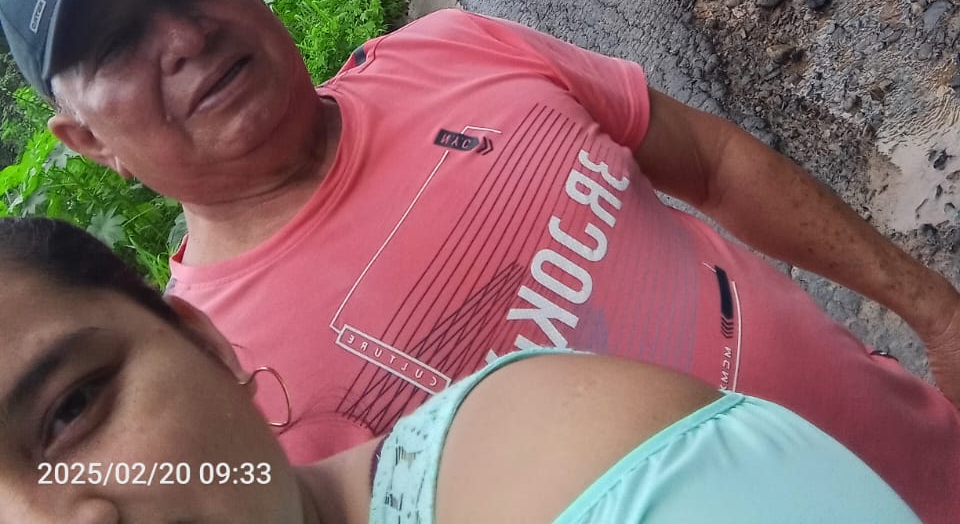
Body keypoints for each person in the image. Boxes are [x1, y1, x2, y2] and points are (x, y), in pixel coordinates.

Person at [0, 0, 958, 523]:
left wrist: (932, 309)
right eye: (117, 44)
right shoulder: (215, 386)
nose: (182, 36)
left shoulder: (453, 51)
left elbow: (710, 161)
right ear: (87, 141)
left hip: (923, 453)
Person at [0, 216, 921, 524]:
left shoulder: (572, 461)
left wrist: (928, 305)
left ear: (204, 343)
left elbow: (705, 156)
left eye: (72, 407)